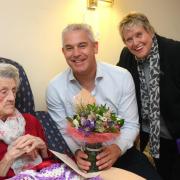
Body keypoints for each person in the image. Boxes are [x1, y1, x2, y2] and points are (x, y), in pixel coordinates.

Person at [46, 23, 161, 179]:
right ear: (63, 52)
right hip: (81, 160)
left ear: (95, 47)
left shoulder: (122, 77)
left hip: (121, 153)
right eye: (69, 48)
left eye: (82, 45)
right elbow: (62, 130)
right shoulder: (55, 87)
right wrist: (77, 152)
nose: (76, 53)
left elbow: (131, 124)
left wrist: (117, 148)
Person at [117, 12, 180, 180]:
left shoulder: (174, 51)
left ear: (150, 32)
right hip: (147, 134)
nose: (135, 43)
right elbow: (116, 81)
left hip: (174, 133)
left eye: (139, 35)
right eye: (129, 39)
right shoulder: (127, 55)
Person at [0, 63, 51, 179]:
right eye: (4, 92)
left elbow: (49, 164)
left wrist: (43, 148)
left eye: (13, 91)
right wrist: (9, 157)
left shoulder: (30, 121)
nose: (12, 98)